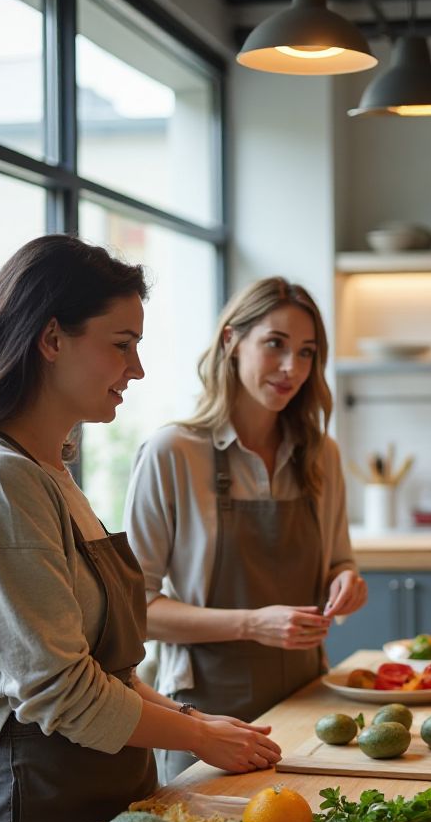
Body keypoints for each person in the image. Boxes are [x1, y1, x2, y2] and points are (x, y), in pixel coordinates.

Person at [0, 236, 282, 822]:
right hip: (26, 811)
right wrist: (200, 737)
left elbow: (100, 668)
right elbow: (61, 690)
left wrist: (186, 715)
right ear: (51, 339)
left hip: (89, 797)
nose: (138, 368)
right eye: (122, 345)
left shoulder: (49, 470)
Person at [124, 277, 366, 782]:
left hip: (309, 703)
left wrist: (346, 580)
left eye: (306, 352)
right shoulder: (172, 453)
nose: (292, 367)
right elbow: (136, 612)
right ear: (232, 340)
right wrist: (253, 624)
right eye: (275, 344)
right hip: (203, 718)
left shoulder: (321, 455)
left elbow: (339, 560)